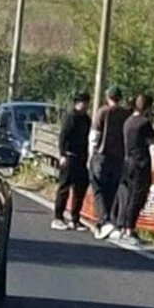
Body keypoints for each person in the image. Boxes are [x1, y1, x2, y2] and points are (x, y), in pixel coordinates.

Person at [115, 94, 154, 245]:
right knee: (138, 195)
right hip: (141, 162)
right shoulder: (144, 123)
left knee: (129, 194)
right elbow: (152, 138)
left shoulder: (128, 121)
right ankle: (129, 228)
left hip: (128, 161)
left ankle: (124, 225)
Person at [89, 86, 130, 240]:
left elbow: (95, 135)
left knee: (98, 188)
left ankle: (104, 220)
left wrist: (90, 155)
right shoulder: (126, 114)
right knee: (112, 189)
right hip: (118, 157)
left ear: (108, 97)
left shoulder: (103, 112)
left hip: (102, 154)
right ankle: (107, 221)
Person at [52, 92, 92, 231]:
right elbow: (63, 136)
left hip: (80, 158)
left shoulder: (87, 119)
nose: (85, 105)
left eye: (86, 102)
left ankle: (75, 218)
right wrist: (62, 154)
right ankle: (58, 217)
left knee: (81, 187)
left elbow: (86, 139)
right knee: (64, 187)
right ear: (76, 103)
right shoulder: (70, 117)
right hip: (69, 156)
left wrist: (86, 156)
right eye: (82, 102)